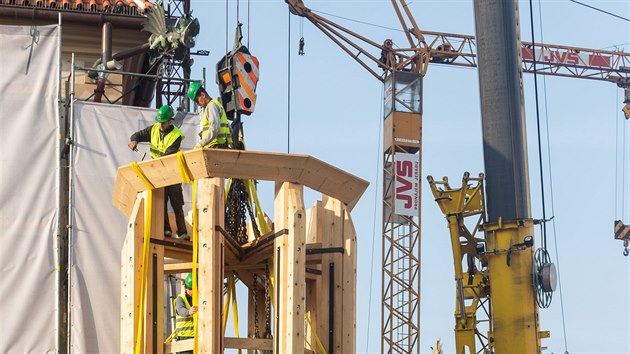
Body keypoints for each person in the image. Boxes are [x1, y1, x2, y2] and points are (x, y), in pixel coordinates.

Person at [128, 105, 189, 240]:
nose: (160, 125)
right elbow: (138, 134)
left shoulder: (176, 136)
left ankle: (182, 232)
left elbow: (167, 156)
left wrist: (152, 166)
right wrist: (134, 140)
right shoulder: (154, 129)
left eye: (163, 122)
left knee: (176, 203)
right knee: (161, 201)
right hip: (158, 172)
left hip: (172, 172)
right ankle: (166, 229)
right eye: (159, 122)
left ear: (170, 121)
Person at [187, 82, 233, 149]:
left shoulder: (211, 106)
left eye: (197, 101)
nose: (197, 104)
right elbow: (229, 129)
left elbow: (215, 129)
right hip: (217, 146)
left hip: (216, 147)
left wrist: (201, 144)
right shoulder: (212, 106)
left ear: (203, 95)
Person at [173, 273, 197, 354]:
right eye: (190, 289)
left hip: (197, 335)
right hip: (184, 336)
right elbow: (180, 310)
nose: (191, 291)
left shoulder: (199, 298)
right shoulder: (180, 299)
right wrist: (188, 312)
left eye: (193, 289)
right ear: (186, 288)